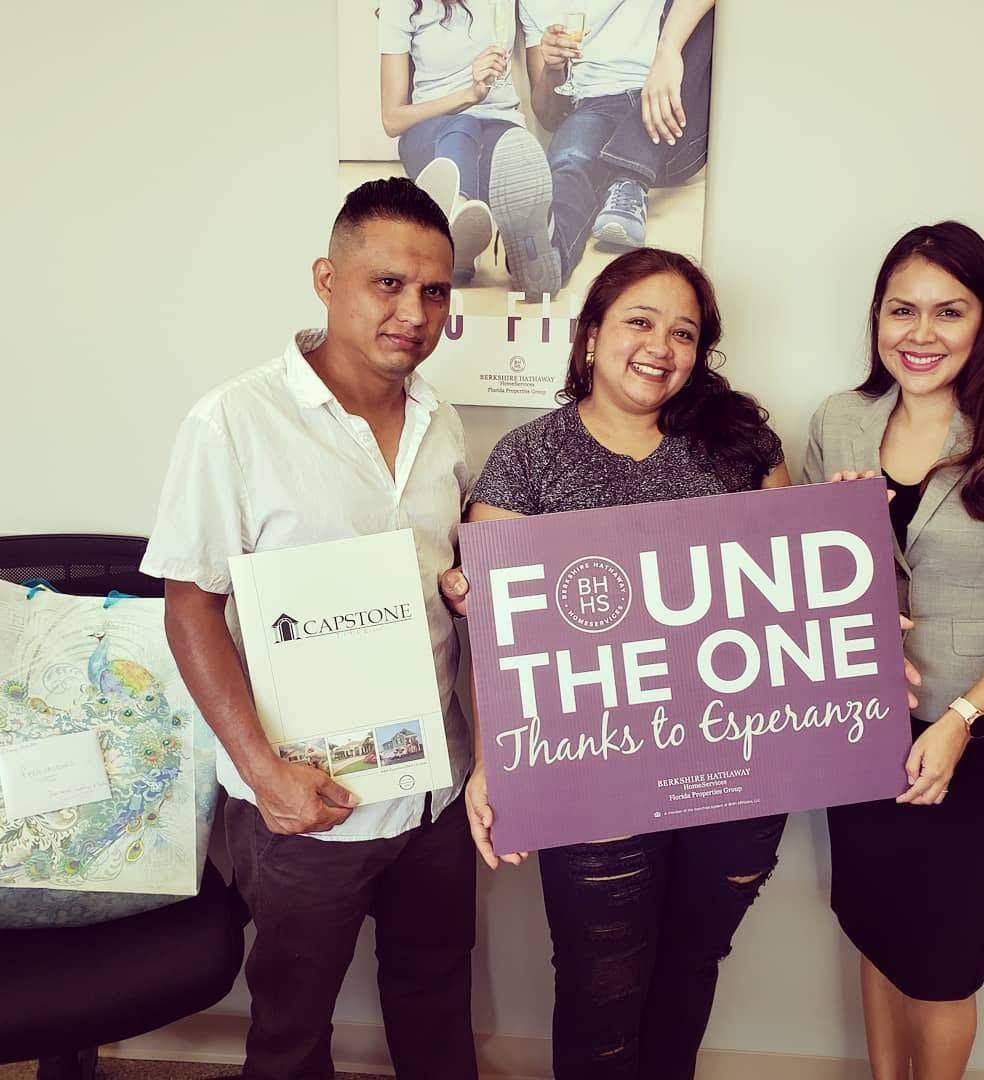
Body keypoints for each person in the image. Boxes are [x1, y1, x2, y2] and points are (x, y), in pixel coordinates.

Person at [140, 179, 478, 1080]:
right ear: (327, 279)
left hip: (435, 787)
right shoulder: (235, 422)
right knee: (291, 1032)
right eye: (388, 283)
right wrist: (265, 773)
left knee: (438, 1002)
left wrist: (461, 591)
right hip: (306, 801)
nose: (413, 310)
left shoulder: (444, 426)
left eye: (435, 291)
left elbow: (442, 583)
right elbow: (190, 608)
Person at [464, 247, 790, 1079]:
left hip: (733, 771)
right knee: (600, 988)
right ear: (592, 335)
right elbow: (494, 640)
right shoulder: (527, 457)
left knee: (689, 969)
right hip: (590, 778)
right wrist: (495, 760)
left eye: (684, 332)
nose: (661, 347)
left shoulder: (743, 447)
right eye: (640, 322)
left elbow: (798, 595)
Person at [804, 221, 984, 1080]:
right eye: (901, 310)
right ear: (876, 318)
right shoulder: (841, 421)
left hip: (983, 743)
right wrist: (832, 538)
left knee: (944, 964)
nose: (919, 335)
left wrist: (961, 719)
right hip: (861, 734)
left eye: (947, 312)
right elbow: (805, 588)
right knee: (878, 929)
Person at [519, 0, 714, 285]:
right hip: (593, 108)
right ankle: (546, 258)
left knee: (704, 21)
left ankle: (629, 180)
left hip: (669, 105)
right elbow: (548, 115)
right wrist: (552, 69)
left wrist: (668, 50)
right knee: (569, 162)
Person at [379, 0, 560, 298]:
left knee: (516, 151)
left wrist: (557, 60)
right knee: (462, 127)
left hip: (497, 128)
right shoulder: (401, 5)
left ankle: (497, 246)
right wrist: (469, 95)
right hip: (432, 137)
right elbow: (392, 118)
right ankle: (457, 216)